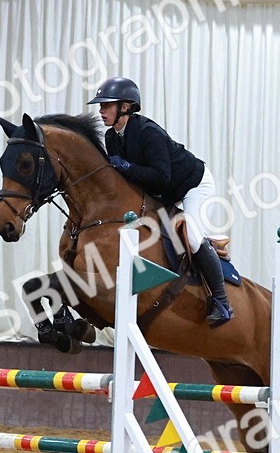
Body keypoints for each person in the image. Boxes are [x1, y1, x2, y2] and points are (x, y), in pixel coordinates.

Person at [87, 76, 232, 327]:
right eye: (100, 106)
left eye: (106, 105)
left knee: (193, 236)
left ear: (125, 107)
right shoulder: (111, 137)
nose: (101, 111)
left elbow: (161, 177)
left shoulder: (148, 133)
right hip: (162, 190)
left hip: (192, 184)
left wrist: (128, 166)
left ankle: (222, 301)